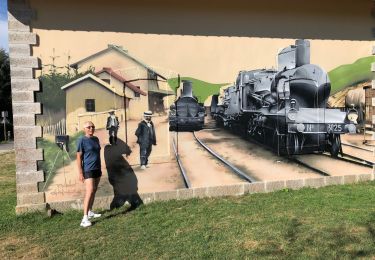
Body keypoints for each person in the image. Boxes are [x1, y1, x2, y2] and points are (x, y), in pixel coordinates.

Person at [76, 121, 102, 227]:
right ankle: (84, 219)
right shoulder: (81, 140)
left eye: (93, 126)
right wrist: (80, 172)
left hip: (97, 168)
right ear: (84, 129)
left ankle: (90, 211)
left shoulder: (96, 139)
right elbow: (78, 157)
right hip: (88, 169)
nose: (91, 128)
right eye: (89, 127)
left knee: (94, 190)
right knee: (89, 191)